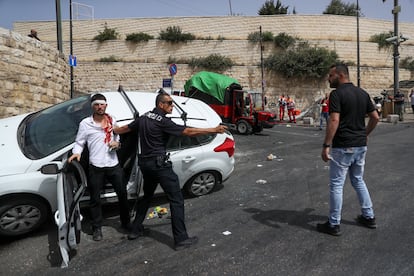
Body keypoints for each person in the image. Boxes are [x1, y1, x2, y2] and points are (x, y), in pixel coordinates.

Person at [114, 92, 227, 250]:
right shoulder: (164, 122)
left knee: (146, 197)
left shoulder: (144, 117)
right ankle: (181, 239)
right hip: (160, 166)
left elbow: (124, 129)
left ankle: (135, 229)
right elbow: (188, 132)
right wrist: (214, 130)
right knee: (176, 199)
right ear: (161, 105)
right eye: (169, 103)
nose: (172, 106)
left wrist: (110, 129)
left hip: (145, 165)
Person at [318, 63, 379, 236]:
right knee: (358, 180)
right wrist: (365, 133)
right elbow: (375, 117)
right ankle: (369, 216)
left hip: (343, 146)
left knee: (337, 185)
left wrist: (326, 145)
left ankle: (333, 223)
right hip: (360, 145)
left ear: (340, 75)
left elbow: (334, 120)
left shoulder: (336, 95)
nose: (328, 79)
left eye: (331, 76)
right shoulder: (362, 93)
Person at [68, 93, 130, 241]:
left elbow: (117, 137)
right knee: (95, 199)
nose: (100, 107)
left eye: (102, 104)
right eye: (97, 104)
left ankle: (126, 223)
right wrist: (77, 153)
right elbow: (79, 142)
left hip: (113, 164)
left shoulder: (112, 119)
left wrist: (117, 143)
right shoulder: (85, 124)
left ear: (106, 105)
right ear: (92, 107)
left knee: (122, 194)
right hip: (96, 166)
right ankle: (97, 228)